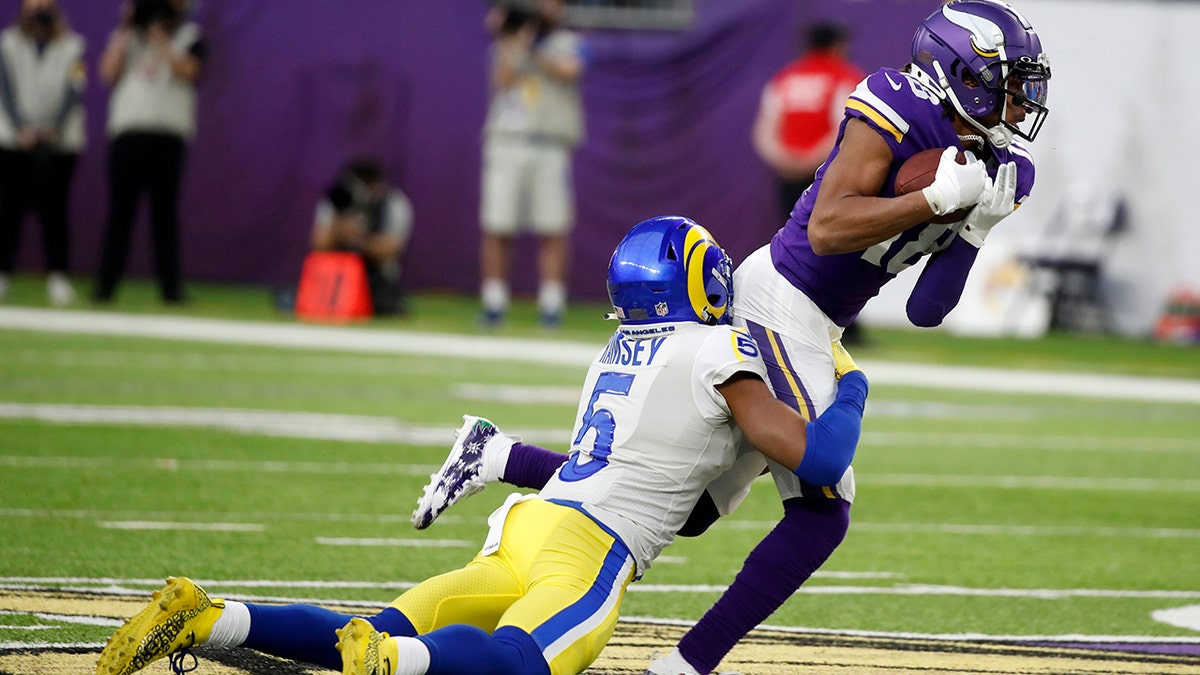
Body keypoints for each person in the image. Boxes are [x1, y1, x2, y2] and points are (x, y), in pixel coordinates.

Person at [417, 2, 1052, 673]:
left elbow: (928, 308)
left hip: (818, 320)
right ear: (963, 71)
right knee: (823, 510)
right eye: (1012, 82)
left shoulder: (1008, 170)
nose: (1023, 102)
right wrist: (929, 201)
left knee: (688, 510)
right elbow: (828, 231)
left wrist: (975, 226)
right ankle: (688, 663)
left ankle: (500, 454)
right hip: (782, 298)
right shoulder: (894, 100)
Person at [94, 216, 869, 675]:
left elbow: (680, 495)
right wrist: (852, 384)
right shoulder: (715, 350)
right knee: (514, 664)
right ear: (701, 280)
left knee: (361, 630)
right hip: (588, 547)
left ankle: (209, 615)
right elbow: (819, 460)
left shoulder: (616, 353)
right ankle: (396, 665)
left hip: (529, 524)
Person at [752, 21, 867, 346]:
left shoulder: (786, 79)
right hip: (826, 176)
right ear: (837, 46)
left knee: (792, 246)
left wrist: (784, 159)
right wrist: (811, 161)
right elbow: (847, 128)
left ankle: (785, 319)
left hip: (786, 174)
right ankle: (840, 325)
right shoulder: (843, 77)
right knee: (836, 246)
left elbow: (765, 129)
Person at [478, 0, 585, 328]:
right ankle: (494, 301)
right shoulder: (507, 43)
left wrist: (532, 48)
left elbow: (570, 71)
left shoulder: (568, 42)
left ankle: (551, 304)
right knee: (498, 223)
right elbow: (502, 80)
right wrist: (511, 38)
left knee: (553, 226)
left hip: (549, 143)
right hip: (508, 140)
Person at [93, 0, 204, 305]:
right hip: (129, 134)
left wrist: (159, 37)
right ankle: (105, 287)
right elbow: (107, 73)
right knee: (120, 215)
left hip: (168, 137)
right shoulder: (127, 37)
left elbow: (188, 70)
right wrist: (125, 27)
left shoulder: (189, 36)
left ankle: (171, 290)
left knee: (164, 218)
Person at [0, 0, 86, 306]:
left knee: (55, 211)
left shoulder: (73, 46)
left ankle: (58, 277)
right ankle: (3, 275)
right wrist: (21, 126)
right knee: (10, 210)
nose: (39, 11)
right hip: (14, 140)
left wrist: (54, 128)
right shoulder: (7, 44)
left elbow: (75, 87)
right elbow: (4, 86)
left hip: (59, 143)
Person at [313, 159, 414, 316]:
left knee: (386, 304)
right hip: (336, 275)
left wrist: (359, 239)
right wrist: (339, 228)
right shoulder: (338, 200)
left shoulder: (393, 203)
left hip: (375, 278)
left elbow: (391, 250)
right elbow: (319, 245)